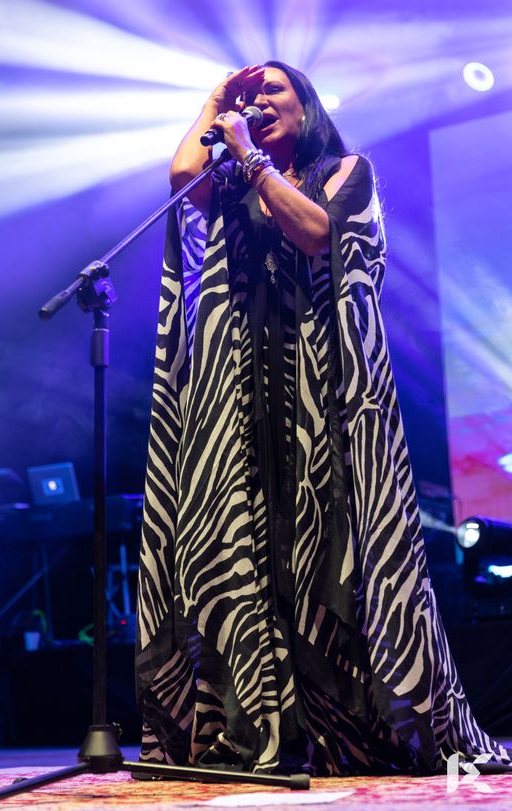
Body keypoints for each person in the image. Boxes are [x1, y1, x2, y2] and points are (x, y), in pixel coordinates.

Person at [135, 61, 510, 776]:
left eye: (272, 90)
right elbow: (183, 176)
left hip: (325, 393)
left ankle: (365, 730)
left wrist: (248, 155)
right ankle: (274, 731)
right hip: (244, 392)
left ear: (306, 107)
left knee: (333, 557)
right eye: (251, 95)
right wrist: (215, 102)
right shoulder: (236, 186)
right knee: (252, 558)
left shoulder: (345, 172)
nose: (258, 101)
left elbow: (318, 234)